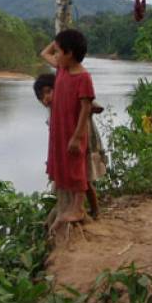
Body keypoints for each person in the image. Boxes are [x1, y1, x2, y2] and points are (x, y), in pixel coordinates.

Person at [39, 29, 97, 227]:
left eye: (59, 51)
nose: (55, 54)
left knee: (76, 169)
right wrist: (58, 41)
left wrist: (78, 136)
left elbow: (85, 108)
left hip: (74, 131)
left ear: (69, 53)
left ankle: (79, 208)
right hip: (59, 130)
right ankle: (72, 206)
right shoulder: (62, 69)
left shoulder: (83, 77)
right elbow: (43, 54)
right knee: (63, 165)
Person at [33, 73, 105, 219]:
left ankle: (95, 211)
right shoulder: (52, 112)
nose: (45, 98)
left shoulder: (70, 102)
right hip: (68, 151)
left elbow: (96, 107)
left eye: (48, 92)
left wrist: (87, 106)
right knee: (77, 181)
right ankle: (79, 209)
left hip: (85, 146)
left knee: (85, 179)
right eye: (41, 97)